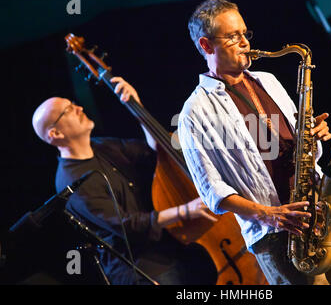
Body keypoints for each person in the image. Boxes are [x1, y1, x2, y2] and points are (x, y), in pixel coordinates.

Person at [178, 0, 331, 285]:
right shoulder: (195, 112)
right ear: (206, 45)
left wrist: (312, 134)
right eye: (233, 36)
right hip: (276, 236)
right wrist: (269, 216)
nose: (244, 42)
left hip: (319, 213)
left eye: (245, 33)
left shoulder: (267, 80)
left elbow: (299, 147)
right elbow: (212, 191)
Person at [32, 77, 217, 285]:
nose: (79, 108)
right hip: (143, 270)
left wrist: (137, 108)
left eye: (73, 103)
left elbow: (154, 152)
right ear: (55, 133)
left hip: (171, 247)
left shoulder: (101, 145)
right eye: (68, 110)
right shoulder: (71, 181)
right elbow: (127, 225)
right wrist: (184, 211)